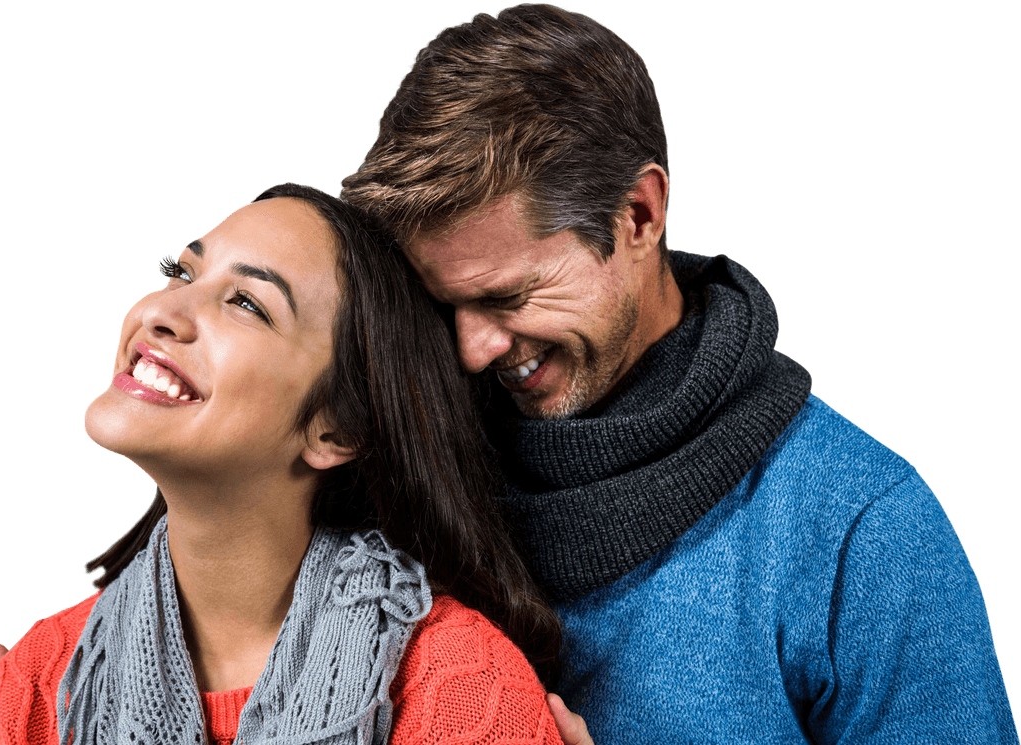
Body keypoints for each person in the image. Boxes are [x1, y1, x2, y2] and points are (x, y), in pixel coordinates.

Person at [338, 4, 1019, 743]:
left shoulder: (861, 527)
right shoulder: (399, 466)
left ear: (638, 213)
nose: (472, 349)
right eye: (445, 305)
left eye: (507, 296)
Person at [0, 184, 564, 745]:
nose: (161, 312)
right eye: (181, 272)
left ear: (337, 429)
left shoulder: (463, 692)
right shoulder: (42, 677)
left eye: (246, 302)